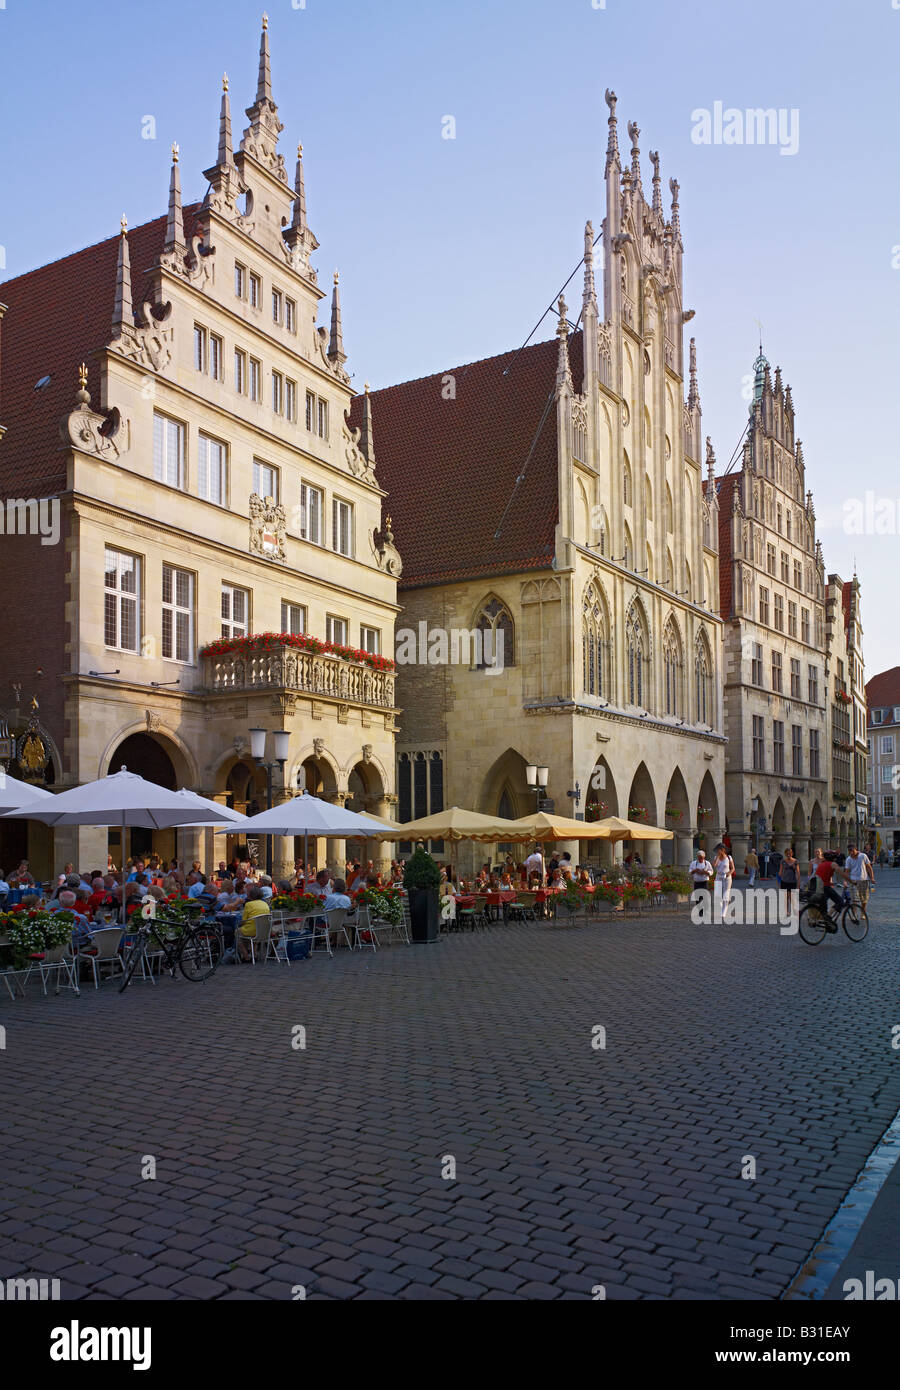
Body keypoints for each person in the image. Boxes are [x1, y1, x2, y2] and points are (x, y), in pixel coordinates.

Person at [808, 849, 844, 932]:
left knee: (823, 902)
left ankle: (821, 921)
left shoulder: (822, 862)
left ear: (821, 853)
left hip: (821, 883)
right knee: (839, 901)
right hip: (820, 883)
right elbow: (810, 873)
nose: (817, 853)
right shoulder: (813, 861)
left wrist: (830, 881)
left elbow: (827, 872)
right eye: (816, 851)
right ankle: (824, 918)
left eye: (818, 851)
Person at [236, 887, 271, 963]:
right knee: (253, 932)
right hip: (264, 930)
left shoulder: (248, 904)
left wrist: (239, 924)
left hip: (251, 930)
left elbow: (244, 920)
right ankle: (254, 954)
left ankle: (246, 956)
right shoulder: (265, 903)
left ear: (250, 895)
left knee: (237, 932)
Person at [845, 845, 875, 910]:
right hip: (853, 881)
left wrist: (872, 877)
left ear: (856, 849)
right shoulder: (848, 859)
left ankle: (863, 912)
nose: (851, 852)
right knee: (854, 900)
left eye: (852, 850)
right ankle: (854, 914)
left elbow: (869, 867)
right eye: (849, 851)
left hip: (864, 880)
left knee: (864, 899)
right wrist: (845, 881)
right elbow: (847, 871)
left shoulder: (863, 856)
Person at [712, 844, 735, 913]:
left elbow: (733, 868)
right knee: (717, 895)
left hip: (727, 877)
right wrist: (718, 857)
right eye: (717, 850)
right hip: (718, 876)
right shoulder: (716, 857)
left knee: (726, 894)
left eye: (718, 850)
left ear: (723, 850)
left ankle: (724, 911)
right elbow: (714, 866)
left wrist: (729, 873)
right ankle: (722, 906)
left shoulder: (729, 857)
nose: (717, 851)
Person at [778, 847, 800, 914]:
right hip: (784, 881)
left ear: (792, 853)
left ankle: (794, 910)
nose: (788, 855)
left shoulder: (795, 861)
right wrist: (778, 882)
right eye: (787, 853)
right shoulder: (783, 861)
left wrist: (798, 883)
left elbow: (798, 873)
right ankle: (787, 911)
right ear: (785, 854)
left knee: (792, 897)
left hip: (793, 882)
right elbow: (780, 872)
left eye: (789, 853)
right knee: (786, 898)